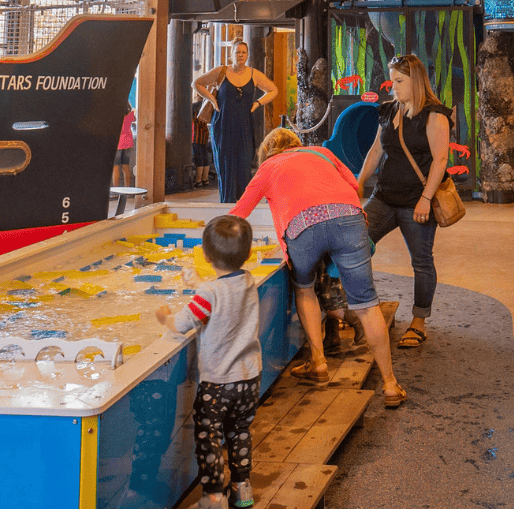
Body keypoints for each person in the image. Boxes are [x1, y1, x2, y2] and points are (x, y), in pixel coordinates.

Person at [230, 128, 405, 409]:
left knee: (304, 288)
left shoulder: (268, 167)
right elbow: (354, 185)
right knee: (367, 305)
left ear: (267, 152)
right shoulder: (322, 152)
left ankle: (319, 364)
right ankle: (390, 384)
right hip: (349, 219)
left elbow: (239, 212)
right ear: (296, 144)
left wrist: (210, 243)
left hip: (302, 228)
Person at [156, 215, 261, 510]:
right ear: (249, 254)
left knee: (209, 438)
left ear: (204, 255)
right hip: (249, 378)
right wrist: (199, 283)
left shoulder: (208, 293)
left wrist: (164, 317)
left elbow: (183, 323)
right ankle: (242, 489)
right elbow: (225, 296)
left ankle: (214, 496)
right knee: (240, 432)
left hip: (218, 382)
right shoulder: (249, 281)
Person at [358, 53, 451, 350]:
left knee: (422, 262)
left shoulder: (435, 114)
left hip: (416, 202)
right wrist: (357, 184)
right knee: (354, 244)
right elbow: (375, 151)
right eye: (392, 80)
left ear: (416, 81)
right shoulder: (387, 111)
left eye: (399, 81)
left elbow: (440, 160)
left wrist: (425, 200)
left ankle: (419, 322)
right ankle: (359, 307)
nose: (393, 86)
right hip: (383, 197)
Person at [192, 39, 278, 203]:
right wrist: (212, 99)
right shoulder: (221, 71)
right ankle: (227, 202)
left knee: (244, 163)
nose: (240, 55)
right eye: (237, 52)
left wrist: (258, 103)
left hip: (244, 124)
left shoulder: (254, 74)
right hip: (223, 125)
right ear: (231, 55)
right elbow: (196, 83)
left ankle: (244, 203)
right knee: (225, 165)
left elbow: (273, 90)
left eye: (243, 52)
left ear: (247, 54)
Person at [113, 103, 136, 188]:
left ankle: (115, 190)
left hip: (118, 144)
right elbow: (134, 113)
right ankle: (128, 188)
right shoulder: (130, 115)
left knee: (115, 168)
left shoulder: (115, 117)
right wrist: (132, 109)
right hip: (127, 144)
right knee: (125, 168)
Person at [192, 99, 212, 189]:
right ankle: (205, 179)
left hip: (196, 137)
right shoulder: (206, 110)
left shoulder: (196, 112)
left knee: (198, 159)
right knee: (205, 158)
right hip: (204, 137)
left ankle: (198, 181)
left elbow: (193, 122)